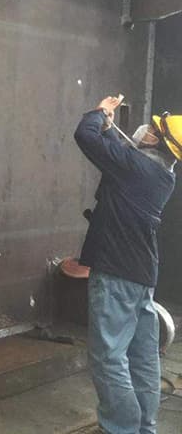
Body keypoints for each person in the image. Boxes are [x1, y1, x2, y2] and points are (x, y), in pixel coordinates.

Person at [74, 96, 181, 434]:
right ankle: (144, 427)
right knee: (142, 358)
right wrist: (109, 130)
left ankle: (120, 429)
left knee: (108, 357)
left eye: (153, 130)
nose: (145, 129)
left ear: (158, 142)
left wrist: (100, 112)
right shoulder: (160, 173)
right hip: (141, 276)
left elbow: (85, 136)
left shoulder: (136, 167)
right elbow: (119, 158)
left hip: (116, 273)